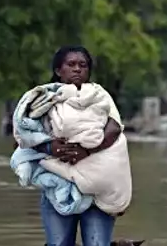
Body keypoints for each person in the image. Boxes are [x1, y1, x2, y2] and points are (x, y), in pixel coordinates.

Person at [28, 46, 125, 246]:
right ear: (58, 70)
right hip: (58, 186)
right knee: (58, 243)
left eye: (83, 65)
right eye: (71, 64)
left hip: (97, 187)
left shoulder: (99, 96)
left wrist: (87, 150)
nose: (77, 69)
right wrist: (50, 148)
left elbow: (114, 129)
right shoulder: (44, 99)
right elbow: (23, 137)